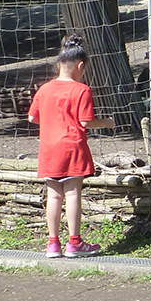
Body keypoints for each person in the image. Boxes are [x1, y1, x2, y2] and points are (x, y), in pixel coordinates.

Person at [27, 34, 115, 259]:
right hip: (72, 147)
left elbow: (32, 118)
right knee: (73, 193)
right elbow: (85, 122)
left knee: (54, 195)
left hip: (48, 148)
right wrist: (105, 122)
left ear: (58, 65)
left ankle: (53, 244)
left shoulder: (44, 89)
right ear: (81, 65)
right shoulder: (81, 89)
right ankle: (74, 243)